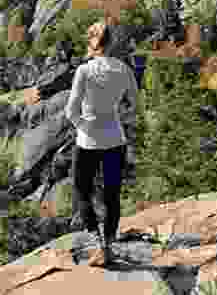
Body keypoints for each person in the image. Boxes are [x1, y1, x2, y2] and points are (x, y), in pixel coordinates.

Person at [64, 19, 139, 265]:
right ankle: (108, 245)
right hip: (116, 139)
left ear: (92, 43)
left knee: (81, 190)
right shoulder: (123, 69)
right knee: (112, 195)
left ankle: (98, 244)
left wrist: (87, 126)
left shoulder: (84, 71)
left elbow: (71, 111)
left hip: (88, 141)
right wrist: (116, 118)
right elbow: (135, 105)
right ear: (112, 42)